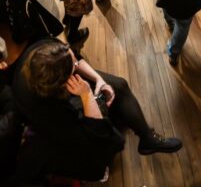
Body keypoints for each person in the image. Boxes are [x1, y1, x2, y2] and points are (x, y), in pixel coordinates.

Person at [12, 39, 182, 182]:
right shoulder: (49, 112)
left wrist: (98, 79)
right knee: (101, 116)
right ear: (66, 82)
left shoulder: (46, 51)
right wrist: (87, 94)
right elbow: (100, 136)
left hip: (60, 89)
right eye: (74, 66)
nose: (76, 62)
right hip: (63, 130)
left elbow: (75, 59)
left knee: (119, 85)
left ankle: (147, 139)